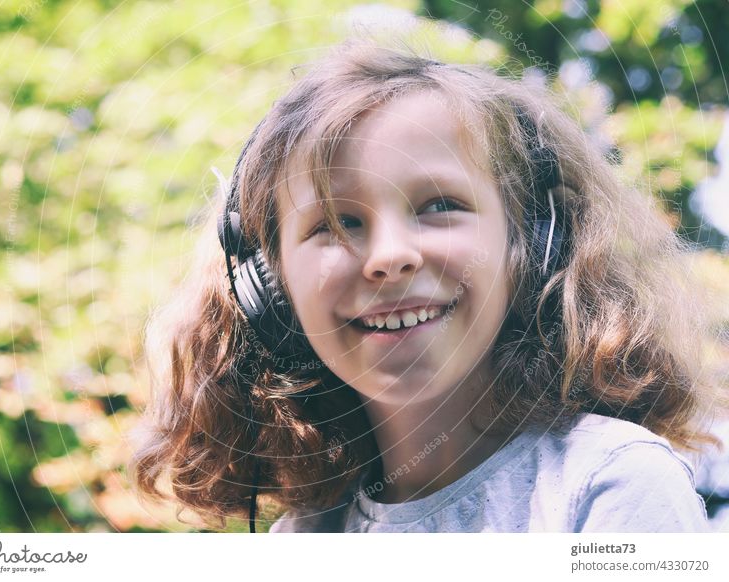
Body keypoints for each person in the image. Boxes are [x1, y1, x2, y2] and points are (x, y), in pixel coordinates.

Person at [130, 38, 727, 533]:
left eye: (439, 204)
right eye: (336, 224)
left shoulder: (609, 482)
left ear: (533, 239)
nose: (389, 257)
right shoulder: (306, 534)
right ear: (267, 285)